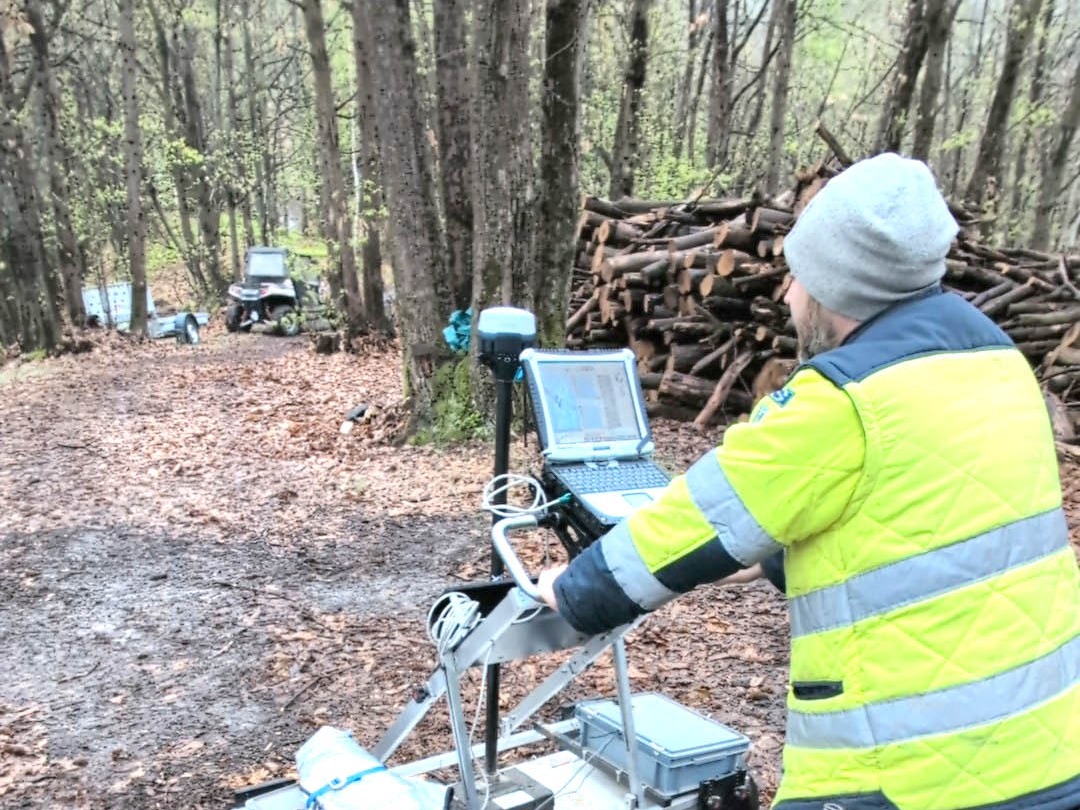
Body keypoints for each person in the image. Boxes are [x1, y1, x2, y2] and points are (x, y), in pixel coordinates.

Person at [537, 153, 1080, 810]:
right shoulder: (998, 364)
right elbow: (919, 530)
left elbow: (698, 519)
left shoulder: (844, 399)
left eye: (799, 276)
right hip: (1049, 755)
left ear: (839, 287)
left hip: (908, 778)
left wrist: (573, 591)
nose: (789, 295)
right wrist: (766, 563)